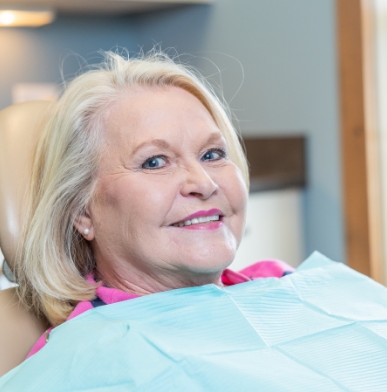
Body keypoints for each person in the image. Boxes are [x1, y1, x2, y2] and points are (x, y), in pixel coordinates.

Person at [0, 51, 292, 378]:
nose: (204, 183)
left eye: (213, 154)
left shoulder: (282, 283)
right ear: (82, 212)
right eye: (154, 162)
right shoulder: (79, 363)